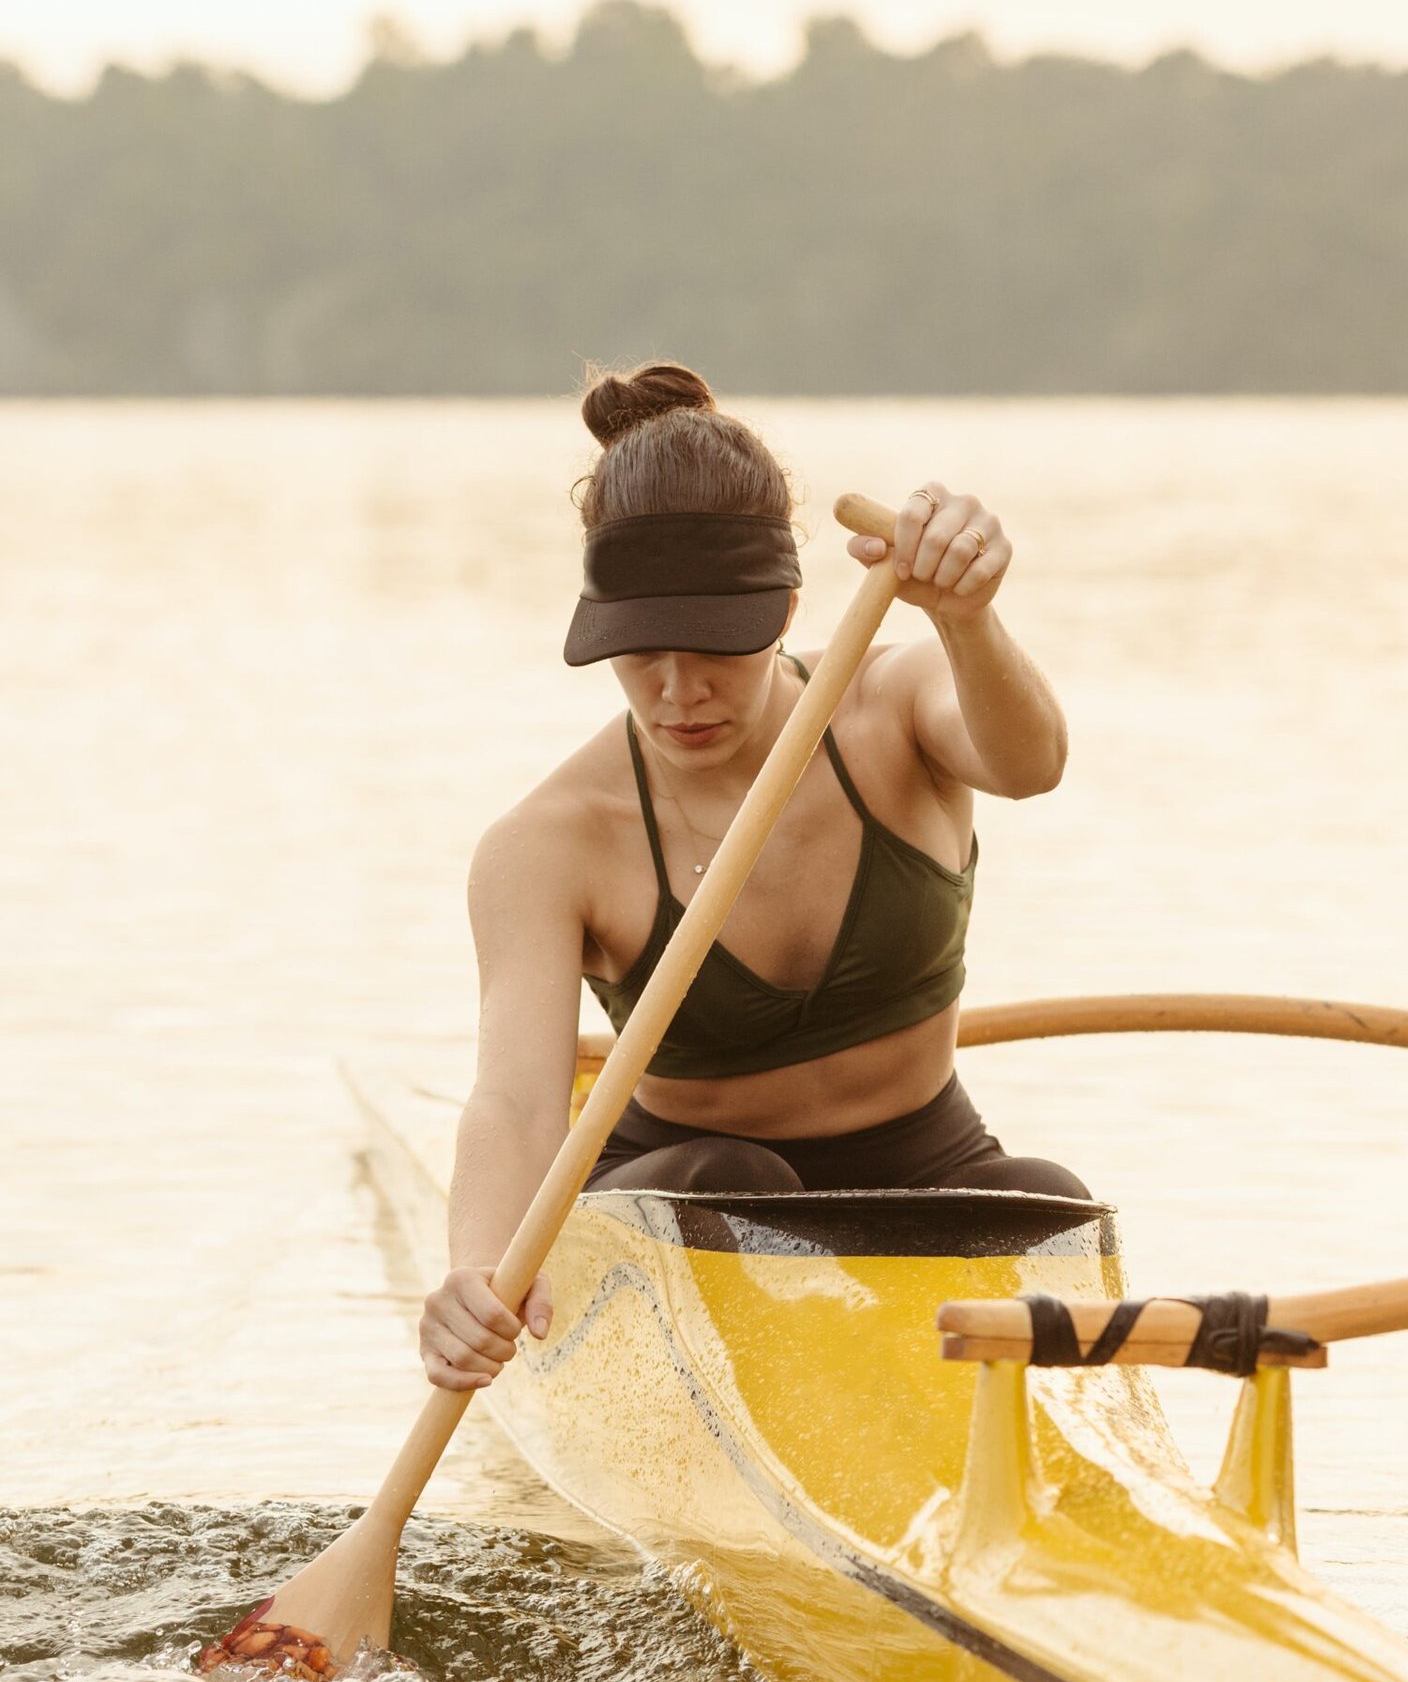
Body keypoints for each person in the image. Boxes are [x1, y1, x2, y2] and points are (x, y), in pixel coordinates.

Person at [419, 363, 1086, 1391]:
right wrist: (476, 1266)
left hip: (922, 1164)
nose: (676, 692)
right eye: (638, 652)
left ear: (784, 605)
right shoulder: (548, 842)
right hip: (684, 1187)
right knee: (739, 1181)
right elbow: (514, 1102)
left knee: (1047, 1203)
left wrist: (966, 618)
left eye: (716, 649)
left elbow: (1030, 764)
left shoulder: (895, 700)